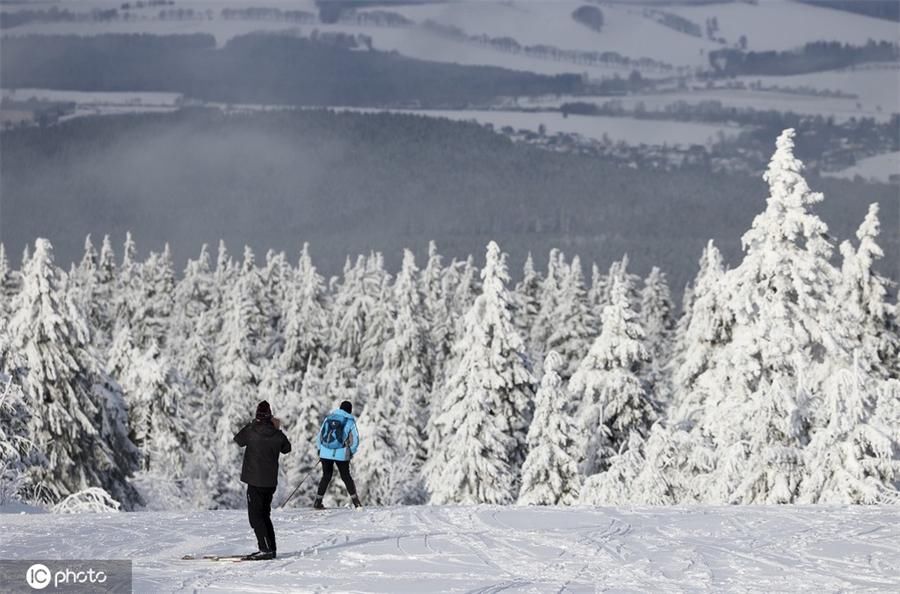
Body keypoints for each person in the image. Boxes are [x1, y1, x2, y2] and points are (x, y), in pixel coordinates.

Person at [234, 400, 291, 560]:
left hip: (254, 480)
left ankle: (265, 549)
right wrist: (276, 428)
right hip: (270, 482)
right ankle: (270, 548)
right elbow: (287, 448)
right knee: (265, 515)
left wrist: (253, 424)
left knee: (256, 517)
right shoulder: (277, 434)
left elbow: (238, 440)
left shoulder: (251, 431)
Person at [314, 400, 361, 509]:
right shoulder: (350, 421)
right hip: (341, 453)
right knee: (346, 477)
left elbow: (320, 435)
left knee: (326, 476)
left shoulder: (329, 418)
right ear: (350, 410)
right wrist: (351, 452)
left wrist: (320, 449)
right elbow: (355, 440)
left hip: (325, 452)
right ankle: (356, 503)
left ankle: (318, 501)